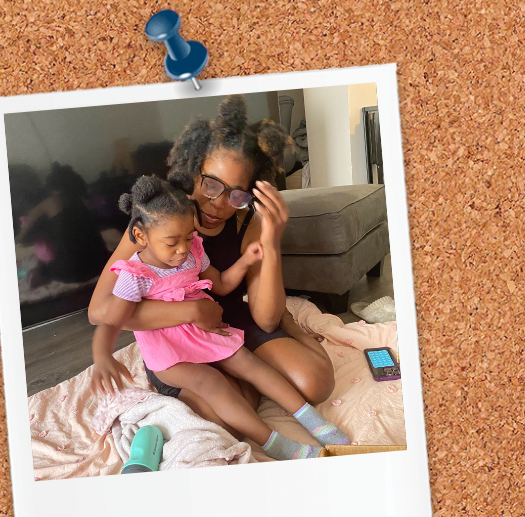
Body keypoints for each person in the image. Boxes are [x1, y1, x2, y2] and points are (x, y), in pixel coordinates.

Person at [88, 94, 335, 438]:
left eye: (236, 193)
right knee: (220, 420)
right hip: (176, 338)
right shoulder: (158, 220)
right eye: (211, 184)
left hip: (231, 320)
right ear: (194, 171)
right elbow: (100, 311)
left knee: (315, 383)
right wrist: (191, 313)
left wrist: (271, 240)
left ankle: (293, 326)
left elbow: (264, 317)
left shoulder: (247, 219)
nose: (218, 203)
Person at [90, 174, 349, 460]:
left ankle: (313, 420)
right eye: (172, 242)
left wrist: (247, 261)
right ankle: (276, 443)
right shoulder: (133, 275)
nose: (182, 249)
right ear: (141, 236)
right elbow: (112, 318)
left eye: (188, 237)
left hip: (204, 331)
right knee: (212, 384)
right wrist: (102, 355)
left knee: (248, 363)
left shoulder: (192, 253)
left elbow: (222, 283)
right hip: (170, 353)